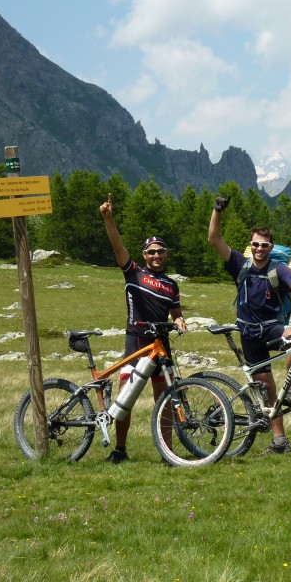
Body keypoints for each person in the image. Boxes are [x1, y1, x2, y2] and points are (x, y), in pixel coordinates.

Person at [208, 195, 291, 455]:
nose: (259, 248)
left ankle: (288, 393)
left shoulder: (279, 269)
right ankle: (279, 441)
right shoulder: (239, 264)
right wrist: (217, 211)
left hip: (272, 328)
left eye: (264, 245)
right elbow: (214, 239)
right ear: (250, 245)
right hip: (248, 332)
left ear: (270, 246)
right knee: (266, 388)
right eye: (255, 244)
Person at [99, 192, 187, 463]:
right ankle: (120, 449)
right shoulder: (134, 272)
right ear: (144, 255)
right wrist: (108, 218)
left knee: (166, 403)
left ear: (166, 254)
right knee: (126, 401)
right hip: (137, 343)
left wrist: (180, 321)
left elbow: (176, 312)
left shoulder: (172, 284)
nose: (156, 255)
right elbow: (117, 247)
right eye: (151, 251)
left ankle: (167, 452)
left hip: (161, 347)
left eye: (161, 251)